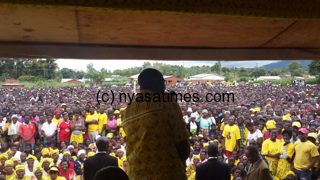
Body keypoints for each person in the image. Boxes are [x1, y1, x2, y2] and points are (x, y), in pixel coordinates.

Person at [121, 69, 190, 180]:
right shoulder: (165, 101)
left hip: (136, 173)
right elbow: (182, 144)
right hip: (165, 173)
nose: (165, 86)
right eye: (163, 82)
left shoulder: (126, 111)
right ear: (155, 83)